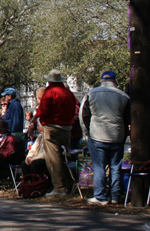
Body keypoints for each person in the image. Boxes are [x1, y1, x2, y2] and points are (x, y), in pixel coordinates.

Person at [80, 70, 130, 206]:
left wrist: (87, 132)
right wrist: (124, 134)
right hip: (116, 135)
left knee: (99, 167)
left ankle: (101, 196)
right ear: (114, 81)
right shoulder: (123, 96)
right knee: (116, 166)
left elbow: (83, 116)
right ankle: (115, 196)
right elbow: (127, 119)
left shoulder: (91, 94)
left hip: (97, 135)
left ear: (102, 80)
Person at [37, 69, 77, 197]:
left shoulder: (49, 92)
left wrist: (40, 119)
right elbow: (73, 111)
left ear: (49, 80)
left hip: (51, 127)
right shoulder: (69, 94)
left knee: (53, 159)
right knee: (65, 157)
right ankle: (69, 184)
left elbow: (42, 111)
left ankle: (59, 188)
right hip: (66, 128)